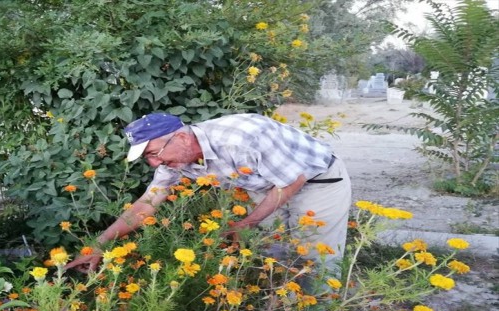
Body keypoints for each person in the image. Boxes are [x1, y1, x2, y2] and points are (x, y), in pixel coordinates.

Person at [65, 112, 351, 277]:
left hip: (316, 181)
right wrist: (98, 244)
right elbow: (146, 203)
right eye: (147, 159)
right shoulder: (176, 159)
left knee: (316, 257)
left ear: (180, 137)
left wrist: (246, 222)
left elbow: (291, 181)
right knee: (269, 252)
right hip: (265, 187)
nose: (154, 164)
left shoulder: (243, 137)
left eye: (153, 154)